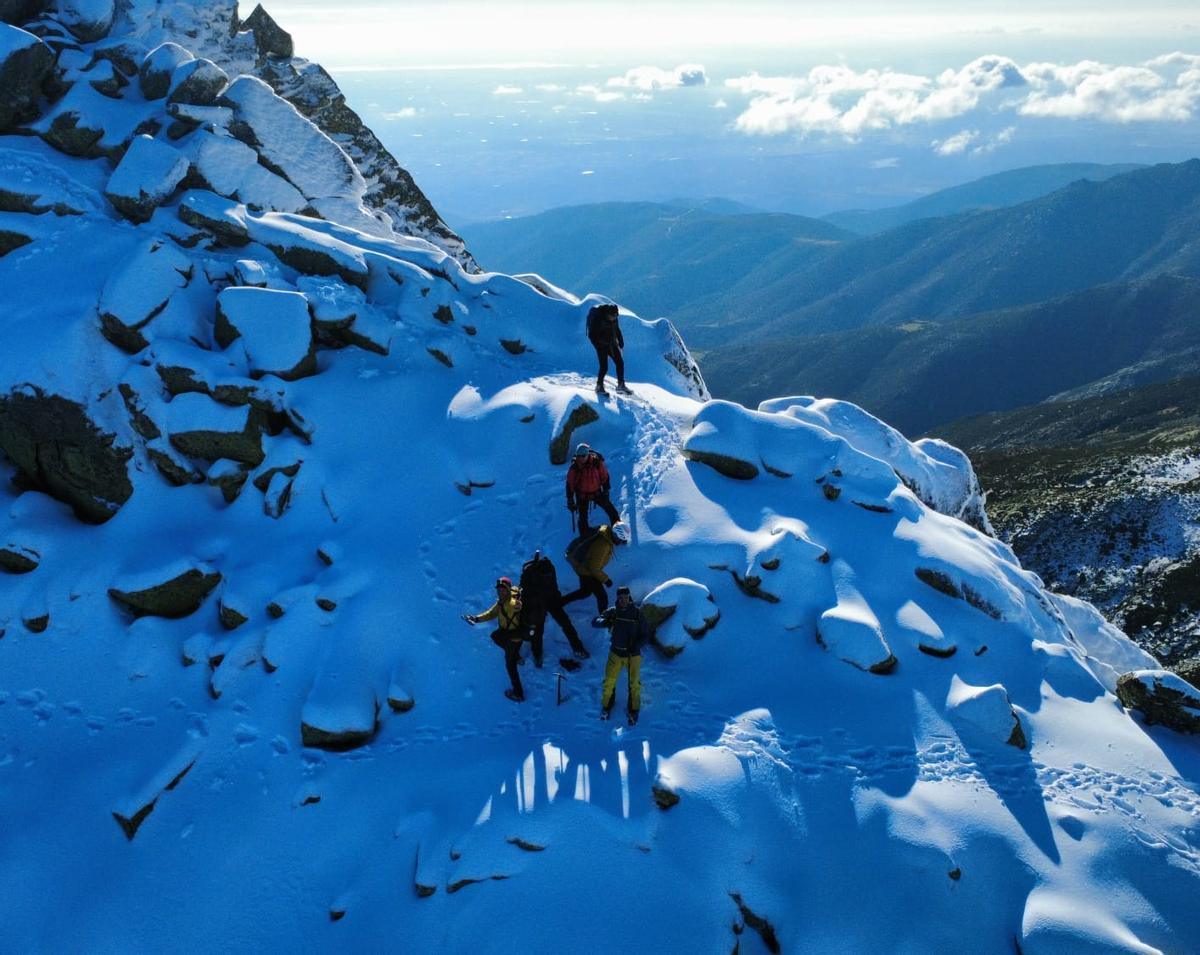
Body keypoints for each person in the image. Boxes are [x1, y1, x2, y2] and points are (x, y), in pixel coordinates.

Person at [519, 550, 589, 666]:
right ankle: (578, 649)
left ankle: (538, 656)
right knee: (565, 624)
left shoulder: (529, 571)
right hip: (550, 600)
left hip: (538, 604)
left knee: (538, 631)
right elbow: (553, 584)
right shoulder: (548, 566)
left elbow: (525, 591)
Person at [463, 576, 527, 702]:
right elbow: (491, 613)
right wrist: (476, 618)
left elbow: (518, 606)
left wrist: (520, 606)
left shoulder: (511, 603)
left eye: (503, 589)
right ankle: (517, 656)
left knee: (510, 667)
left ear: (508, 589)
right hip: (511, 634)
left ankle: (518, 693)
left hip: (513, 638)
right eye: (498, 589)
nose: (500, 591)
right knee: (495, 636)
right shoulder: (502, 602)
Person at [593, 586, 650, 724]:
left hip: (633, 655)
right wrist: (605, 621)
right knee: (609, 682)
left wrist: (636, 645)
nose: (623, 600)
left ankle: (634, 710)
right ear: (617, 598)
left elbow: (646, 634)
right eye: (620, 597)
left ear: (629, 597)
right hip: (616, 653)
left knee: (634, 684)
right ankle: (607, 706)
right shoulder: (613, 611)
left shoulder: (636, 613)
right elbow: (595, 621)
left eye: (626, 597)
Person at [561, 521, 629, 615]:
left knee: (585, 591)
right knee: (602, 596)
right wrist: (606, 580)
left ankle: (558, 603)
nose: (620, 542)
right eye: (620, 539)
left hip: (583, 562)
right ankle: (604, 619)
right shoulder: (603, 545)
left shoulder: (605, 532)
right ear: (616, 535)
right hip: (583, 566)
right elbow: (594, 568)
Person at [565, 443, 620, 534]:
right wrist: (570, 499)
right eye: (579, 456)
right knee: (582, 519)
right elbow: (569, 484)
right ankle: (585, 536)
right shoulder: (574, 467)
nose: (581, 458)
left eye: (583, 455)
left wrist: (606, 491)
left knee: (612, 512)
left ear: (588, 454)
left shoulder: (596, 462)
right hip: (582, 496)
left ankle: (619, 532)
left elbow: (604, 477)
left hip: (597, 493)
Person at [586, 302, 629, 396]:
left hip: (611, 343)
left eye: (616, 316)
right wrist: (598, 346)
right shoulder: (598, 319)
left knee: (620, 363)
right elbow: (591, 335)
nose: (615, 318)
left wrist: (621, 341)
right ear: (607, 314)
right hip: (601, 345)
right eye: (613, 316)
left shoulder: (613, 318)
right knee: (604, 367)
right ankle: (599, 386)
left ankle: (621, 385)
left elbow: (617, 329)